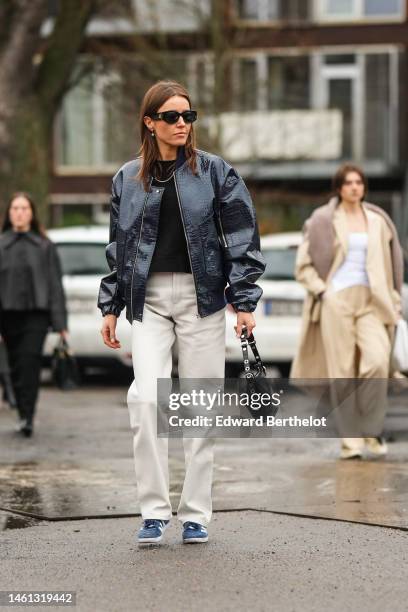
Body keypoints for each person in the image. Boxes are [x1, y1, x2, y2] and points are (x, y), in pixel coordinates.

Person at [98, 80, 265, 545]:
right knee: (145, 400)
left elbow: (241, 236)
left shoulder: (215, 172)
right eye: (170, 116)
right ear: (149, 123)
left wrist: (245, 301)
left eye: (187, 116)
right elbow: (119, 245)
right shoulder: (127, 178)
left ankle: (195, 514)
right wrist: (110, 304)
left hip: (202, 300)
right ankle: (153, 511)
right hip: (147, 302)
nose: (181, 125)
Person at [291, 164, 404, 460]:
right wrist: (324, 291)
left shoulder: (378, 221)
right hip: (336, 300)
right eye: (349, 183)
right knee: (342, 372)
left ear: (364, 187)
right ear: (339, 188)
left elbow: (389, 266)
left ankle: (370, 428)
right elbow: (303, 266)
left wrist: (394, 298)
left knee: (377, 362)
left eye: (359, 182)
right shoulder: (323, 220)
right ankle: (351, 441)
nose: (355, 187)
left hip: (372, 300)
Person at [0, 193, 68, 437]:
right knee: (15, 367)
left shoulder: (45, 246)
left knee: (29, 364)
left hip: (36, 317)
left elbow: (55, 285)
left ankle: (28, 415)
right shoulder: (1, 244)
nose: (19, 212)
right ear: (9, 214)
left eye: (24, 208)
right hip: (7, 316)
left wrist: (61, 323)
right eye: (15, 208)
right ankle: (20, 411)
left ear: (31, 213)